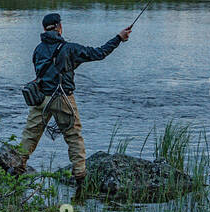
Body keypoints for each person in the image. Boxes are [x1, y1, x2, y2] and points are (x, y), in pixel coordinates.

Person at [13, 12, 131, 189]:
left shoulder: (38, 50)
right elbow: (99, 53)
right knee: (74, 138)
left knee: (29, 137)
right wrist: (118, 38)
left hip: (40, 100)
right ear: (59, 28)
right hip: (63, 100)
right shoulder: (69, 49)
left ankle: (16, 171)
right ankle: (81, 177)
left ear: (44, 29)